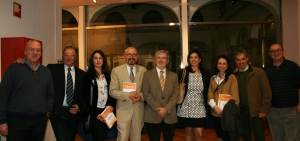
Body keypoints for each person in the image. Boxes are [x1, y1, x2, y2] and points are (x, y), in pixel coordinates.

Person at [0, 40, 55, 141]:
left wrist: (47, 112)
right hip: (16, 121)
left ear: (41, 53)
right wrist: (2, 122)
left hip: (39, 122)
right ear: (25, 51)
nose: (35, 52)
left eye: (38, 50)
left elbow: (50, 94)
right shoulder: (14, 69)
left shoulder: (46, 71)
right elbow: (2, 95)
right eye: (31, 49)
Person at [47, 46, 85, 141]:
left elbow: (84, 96)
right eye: (66, 55)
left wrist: (79, 107)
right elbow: (36, 68)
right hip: (58, 113)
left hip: (74, 115)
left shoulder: (82, 74)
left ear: (75, 57)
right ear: (63, 57)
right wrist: (23, 61)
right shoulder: (52, 69)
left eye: (71, 55)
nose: (69, 57)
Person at [263, 43, 300, 141]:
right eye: (273, 51)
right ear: (269, 53)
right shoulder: (266, 70)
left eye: (278, 50)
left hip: (291, 110)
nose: (276, 53)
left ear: (283, 51)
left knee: (294, 137)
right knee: (277, 137)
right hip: (273, 110)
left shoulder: (293, 67)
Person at [109, 46, 147, 141]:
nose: (131, 56)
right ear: (124, 56)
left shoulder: (143, 71)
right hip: (123, 111)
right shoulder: (116, 71)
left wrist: (140, 97)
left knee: (137, 138)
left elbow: (147, 90)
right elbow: (112, 91)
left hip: (138, 111)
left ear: (137, 56)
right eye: (128, 54)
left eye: (134, 54)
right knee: (122, 138)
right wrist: (128, 95)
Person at [234, 49, 272, 141]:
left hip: (257, 111)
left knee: (259, 137)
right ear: (235, 61)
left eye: (243, 59)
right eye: (238, 60)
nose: (241, 62)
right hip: (241, 112)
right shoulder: (234, 74)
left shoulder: (259, 73)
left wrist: (264, 109)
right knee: (245, 136)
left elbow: (267, 92)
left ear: (247, 59)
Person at [142, 50, 179, 141]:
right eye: (158, 57)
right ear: (155, 60)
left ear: (167, 61)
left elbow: (176, 94)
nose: (161, 60)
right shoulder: (147, 75)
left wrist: (166, 109)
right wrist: (158, 108)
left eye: (164, 58)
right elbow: (146, 94)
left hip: (169, 115)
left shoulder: (174, 76)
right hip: (152, 115)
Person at [82, 50, 116, 141]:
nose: (98, 60)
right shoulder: (87, 76)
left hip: (106, 112)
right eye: (95, 58)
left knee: (103, 136)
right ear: (92, 61)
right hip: (94, 113)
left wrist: (111, 105)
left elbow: (112, 93)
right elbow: (84, 98)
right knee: (98, 138)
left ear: (104, 60)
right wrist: (95, 114)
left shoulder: (108, 76)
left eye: (100, 58)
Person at [177, 50, 210, 141]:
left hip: (200, 107)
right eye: (191, 57)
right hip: (186, 107)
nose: (193, 59)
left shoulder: (205, 74)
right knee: (188, 132)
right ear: (188, 60)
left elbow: (208, 90)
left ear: (200, 59)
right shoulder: (183, 72)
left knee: (200, 134)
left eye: (195, 57)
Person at [207, 55, 239, 141]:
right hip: (215, 112)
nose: (222, 66)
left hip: (227, 113)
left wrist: (225, 109)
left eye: (224, 63)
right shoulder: (213, 78)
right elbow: (210, 94)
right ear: (217, 65)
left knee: (227, 136)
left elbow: (235, 95)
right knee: (219, 136)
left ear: (228, 65)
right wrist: (214, 106)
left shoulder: (232, 77)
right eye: (220, 63)